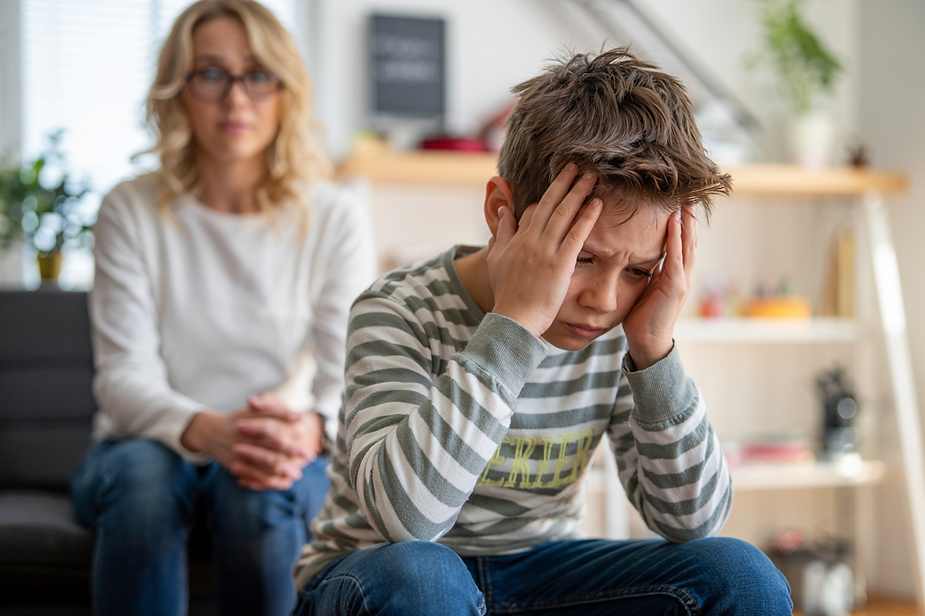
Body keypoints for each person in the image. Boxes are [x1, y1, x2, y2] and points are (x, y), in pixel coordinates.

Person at [292, 48, 792, 615]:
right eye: (579, 257)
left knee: (739, 575)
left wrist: (655, 353)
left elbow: (693, 519)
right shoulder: (397, 310)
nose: (602, 300)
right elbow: (408, 521)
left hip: (539, 571)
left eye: (635, 271)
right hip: (380, 575)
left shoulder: (621, 328)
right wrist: (515, 326)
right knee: (424, 579)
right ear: (501, 210)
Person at [70, 1, 375, 615]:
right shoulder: (129, 209)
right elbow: (123, 379)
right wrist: (212, 431)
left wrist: (308, 429)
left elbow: (347, 377)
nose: (236, 99)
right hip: (143, 445)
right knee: (145, 483)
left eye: (257, 73)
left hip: (275, 444)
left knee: (258, 492)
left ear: (285, 88)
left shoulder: (334, 216)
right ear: (179, 90)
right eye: (212, 74)